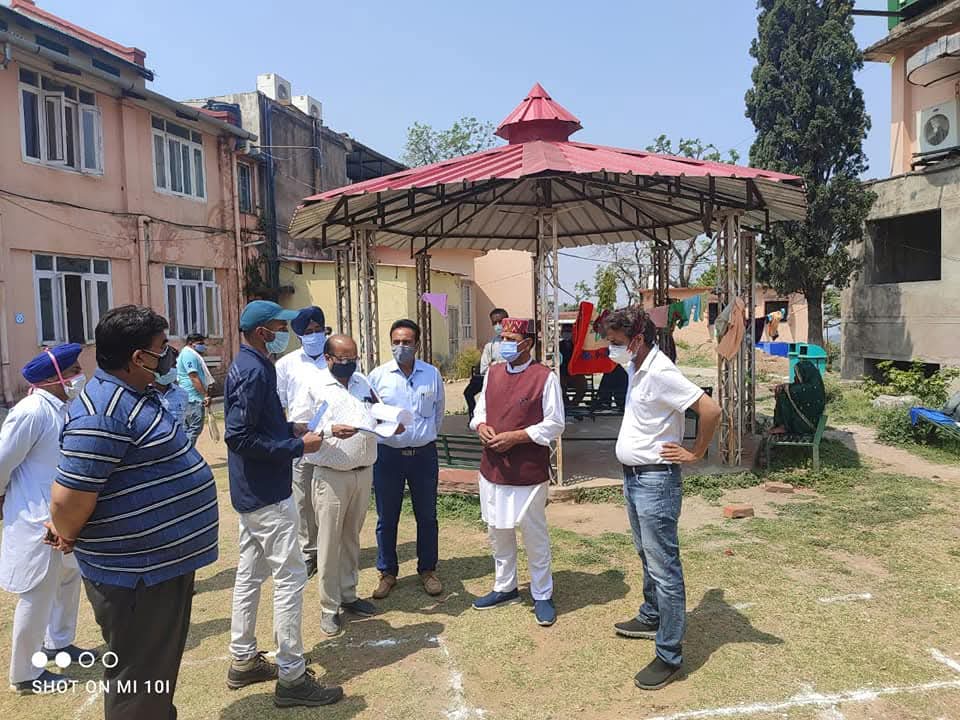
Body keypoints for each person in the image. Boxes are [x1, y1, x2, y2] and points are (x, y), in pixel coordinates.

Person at [47, 305, 220, 719]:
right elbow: (68, 499)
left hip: (158, 568)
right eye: (162, 348)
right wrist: (65, 531)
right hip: (137, 575)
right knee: (140, 682)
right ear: (139, 357)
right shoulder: (103, 413)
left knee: (154, 674)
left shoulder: (134, 394)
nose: (169, 355)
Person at [223, 300, 342, 708]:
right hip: (267, 493)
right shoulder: (254, 371)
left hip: (253, 491)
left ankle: (243, 658)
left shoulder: (251, 364)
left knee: (250, 574)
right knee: (290, 577)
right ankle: (291, 676)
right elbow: (238, 437)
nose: (283, 334)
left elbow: (257, 425)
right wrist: (296, 446)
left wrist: (291, 428)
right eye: (278, 327)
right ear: (262, 332)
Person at [602, 307, 720, 691]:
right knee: (646, 554)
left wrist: (696, 452)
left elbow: (710, 409)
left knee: (664, 568)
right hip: (635, 478)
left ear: (637, 340)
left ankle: (669, 654)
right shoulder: (635, 366)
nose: (610, 348)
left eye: (616, 342)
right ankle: (651, 615)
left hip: (655, 481)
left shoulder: (660, 372)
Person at [0, 344, 98, 695]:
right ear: (52, 378)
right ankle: (25, 674)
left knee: (67, 581)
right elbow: (2, 462)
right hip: (36, 519)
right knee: (37, 593)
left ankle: (58, 643)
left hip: (64, 516)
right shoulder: (31, 412)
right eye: (72, 371)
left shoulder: (62, 407)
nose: (78, 376)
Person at [469, 318, 564, 627]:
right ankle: (505, 586)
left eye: (511, 339)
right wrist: (481, 426)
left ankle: (542, 593)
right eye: (503, 338)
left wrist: (518, 437)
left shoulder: (544, 377)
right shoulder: (493, 373)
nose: (505, 344)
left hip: (527, 470)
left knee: (533, 534)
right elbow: (480, 411)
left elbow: (555, 423)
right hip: (493, 468)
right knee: (498, 530)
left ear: (528, 343)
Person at [289, 334, 379, 637]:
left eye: (354, 357)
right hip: (331, 475)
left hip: (363, 472)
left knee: (352, 537)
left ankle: (349, 594)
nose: (350, 363)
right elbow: (300, 426)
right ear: (328, 358)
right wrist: (328, 429)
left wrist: (390, 421)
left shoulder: (362, 382)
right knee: (328, 543)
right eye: (343, 359)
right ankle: (329, 608)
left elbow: (376, 410)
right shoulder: (315, 385)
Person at [368, 319, 445, 600]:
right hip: (388, 456)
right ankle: (387, 572)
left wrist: (422, 437)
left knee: (427, 516)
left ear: (417, 344)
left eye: (407, 342)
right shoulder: (378, 376)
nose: (401, 347)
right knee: (387, 517)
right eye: (396, 342)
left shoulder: (431, 374)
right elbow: (370, 414)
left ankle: (428, 570)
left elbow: (438, 412)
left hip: (424, 456)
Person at [276, 306, 329, 578]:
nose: (314, 335)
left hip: (333, 439)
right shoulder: (286, 365)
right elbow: (279, 403)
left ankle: (332, 550)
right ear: (299, 335)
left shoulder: (334, 359)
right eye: (308, 332)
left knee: (331, 499)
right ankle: (309, 551)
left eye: (319, 330)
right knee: (303, 500)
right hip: (301, 441)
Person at [464, 308, 509, 419]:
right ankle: (474, 416)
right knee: (468, 393)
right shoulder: (490, 345)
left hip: (511, 383)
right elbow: (484, 368)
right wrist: (501, 365)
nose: (498, 326)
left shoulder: (516, 341)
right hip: (493, 381)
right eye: (494, 323)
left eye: (500, 322)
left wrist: (494, 364)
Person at [770, 359, 825, 435]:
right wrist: (784, 387)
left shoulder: (812, 388)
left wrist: (785, 388)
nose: (795, 377)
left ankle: (784, 426)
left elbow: (795, 390)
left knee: (784, 396)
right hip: (805, 420)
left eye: (797, 374)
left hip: (808, 424)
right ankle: (782, 425)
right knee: (785, 393)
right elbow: (796, 388)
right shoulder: (812, 384)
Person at [177, 333, 211, 446]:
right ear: (191, 343)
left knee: (187, 429)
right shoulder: (189, 354)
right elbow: (193, 377)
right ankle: (187, 453)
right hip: (193, 398)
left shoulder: (188, 354)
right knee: (194, 428)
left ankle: (184, 452)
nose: (203, 346)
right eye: (200, 343)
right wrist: (205, 395)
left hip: (189, 397)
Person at [157, 347, 189, 428]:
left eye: (174, 365)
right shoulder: (141, 393)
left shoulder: (182, 394)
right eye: (167, 365)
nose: (171, 369)